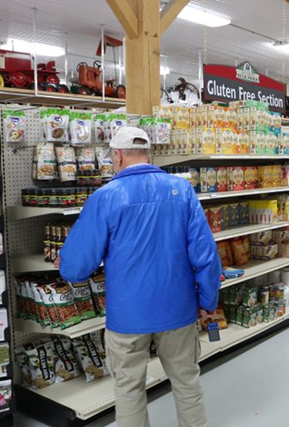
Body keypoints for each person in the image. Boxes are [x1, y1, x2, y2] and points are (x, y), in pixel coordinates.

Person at [58, 127, 222, 427]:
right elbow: (206, 254)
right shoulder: (182, 190)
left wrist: (65, 263)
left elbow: (76, 267)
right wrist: (208, 301)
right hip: (178, 308)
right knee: (187, 381)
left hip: (127, 314)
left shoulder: (104, 197)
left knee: (129, 389)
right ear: (149, 154)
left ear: (118, 156)